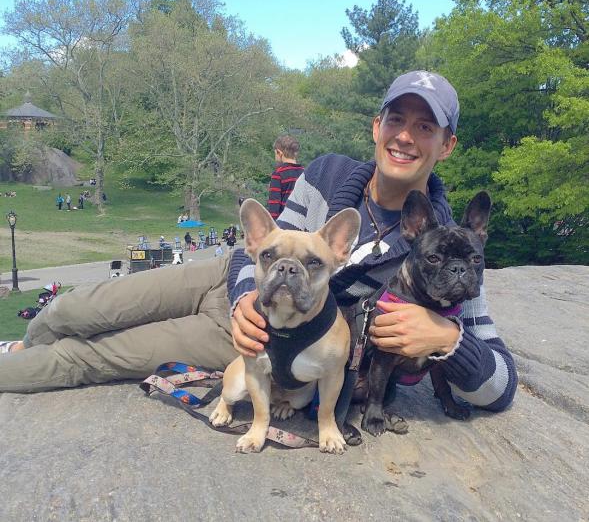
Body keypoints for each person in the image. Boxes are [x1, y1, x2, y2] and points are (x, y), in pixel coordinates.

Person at [0, 71, 517, 421]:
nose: (406, 136)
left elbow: (500, 387)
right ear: (376, 126)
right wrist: (247, 293)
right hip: (225, 280)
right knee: (79, 307)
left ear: (446, 145)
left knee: (95, 358)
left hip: (258, 340)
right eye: (397, 120)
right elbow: (264, 242)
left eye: (425, 126)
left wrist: (448, 338)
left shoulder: (451, 253)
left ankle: (20, 364)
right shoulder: (327, 173)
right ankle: (26, 341)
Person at [267, 134, 305, 219]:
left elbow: (274, 204)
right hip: (302, 223)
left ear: (279, 152)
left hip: (284, 223)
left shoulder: (278, 174)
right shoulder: (305, 173)